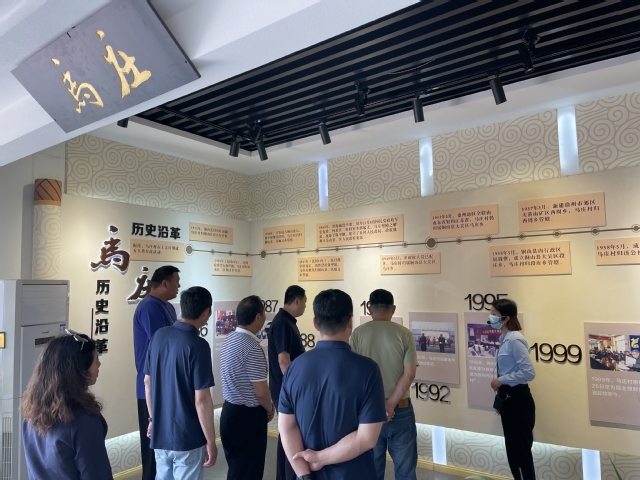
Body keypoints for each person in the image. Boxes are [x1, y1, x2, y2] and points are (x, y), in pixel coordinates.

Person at [279, 289, 386, 480]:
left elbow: (287, 428)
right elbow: (366, 438)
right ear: (350, 321)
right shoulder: (368, 370)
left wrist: (304, 474)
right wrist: (319, 458)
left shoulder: (294, 368)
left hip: (309, 474)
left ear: (315, 323)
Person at [144, 286, 217, 480]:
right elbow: (202, 400)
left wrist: (153, 419)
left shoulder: (158, 336)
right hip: (187, 437)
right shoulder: (199, 346)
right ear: (206, 312)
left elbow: (147, 382)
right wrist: (211, 440)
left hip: (160, 434)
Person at [22, 329, 112, 480]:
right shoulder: (84, 421)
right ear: (80, 368)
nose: (99, 364)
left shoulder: (31, 415)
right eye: (96, 359)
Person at [350, 289, 418, 480]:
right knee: (406, 471)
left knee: (371, 470)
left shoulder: (358, 334)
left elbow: (354, 375)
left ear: (369, 308)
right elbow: (409, 373)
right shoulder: (405, 334)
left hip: (369, 410)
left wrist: (380, 405)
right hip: (401, 409)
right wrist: (390, 404)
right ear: (393, 309)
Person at [220, 296, 275, 479]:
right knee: (250, 472)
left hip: (229, 413)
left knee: (236, 470)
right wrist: (269, 407)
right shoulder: (252, 347)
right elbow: (261, 392)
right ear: (258, 317)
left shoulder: (229, 339)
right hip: (247, 419)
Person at [133, 265, 180, 480]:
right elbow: (163, 345)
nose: (178, 286)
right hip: (151, 388)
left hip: (166, 386)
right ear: (164, 283)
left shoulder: (167, 306)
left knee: (165, 450)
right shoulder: (150, 307)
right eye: (176, 282)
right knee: (153, 450)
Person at [489, 298, 536, 480]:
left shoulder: (515, 340)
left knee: (520, 455)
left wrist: (501, 380)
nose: (491, 316)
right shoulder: (504, 338)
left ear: (506, 318)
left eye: (494, 313)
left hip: (518, 402)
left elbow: (528, 373)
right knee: (514, 455)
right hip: (509, 401)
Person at [268, 285, 307, 480]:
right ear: (297, 301)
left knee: (287, 435)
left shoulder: (287, 321)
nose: (305, 306)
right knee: (290, 435)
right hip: (286, 390)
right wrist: (294, 390)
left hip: (285, 389)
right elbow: (283, 361)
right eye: (305, 302)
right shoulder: (283, 323)